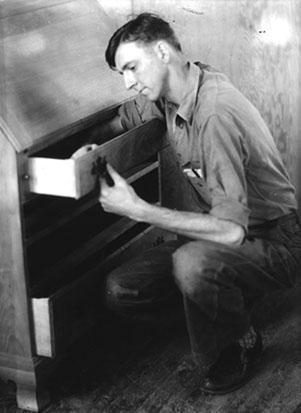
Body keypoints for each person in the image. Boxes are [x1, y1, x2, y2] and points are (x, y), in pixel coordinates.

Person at [95, 12, 301, 394]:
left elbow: (231, 230)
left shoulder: (215, 114)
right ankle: (220, 306)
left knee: (191, 264)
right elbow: (123, 121)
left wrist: (138, 209)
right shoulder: (174, 90)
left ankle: (239, 338)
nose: (128, 83)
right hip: (220, 236)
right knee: (121, 289)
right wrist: (81, 149)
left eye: (131, 68)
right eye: (122, 73)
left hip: (272, 240)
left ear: (161, 52)